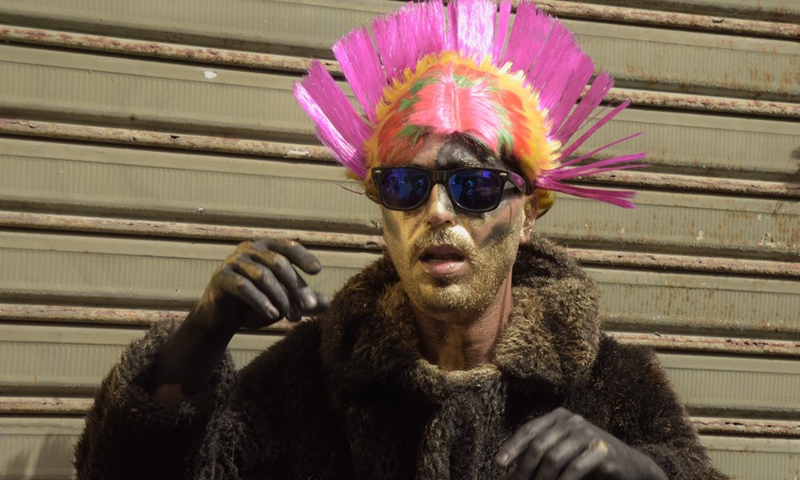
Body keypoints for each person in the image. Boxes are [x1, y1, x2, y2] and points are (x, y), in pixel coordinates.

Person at [75, 1, 728, 479]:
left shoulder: (609, 387)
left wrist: (647, 473)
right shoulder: (315, 378)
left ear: (529, 211)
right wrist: (200, 337)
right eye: (405, 187)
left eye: (473, 187)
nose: (438, 212)